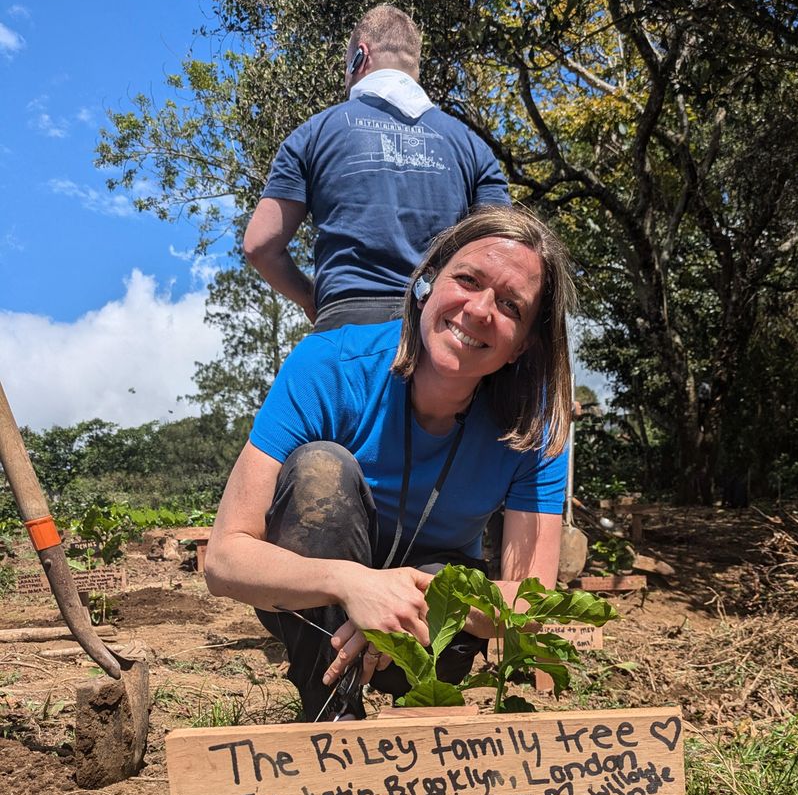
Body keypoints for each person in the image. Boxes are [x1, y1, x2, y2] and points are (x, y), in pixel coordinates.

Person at [206, 205, 575, 720]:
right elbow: (225, 560)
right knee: (321, 469)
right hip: (316, 599)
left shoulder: (533, 426)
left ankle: (417, 719)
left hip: (434, 616)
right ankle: (331, 714)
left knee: (446, 583)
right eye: (467, 279)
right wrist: (353, 586)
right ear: (427, 282)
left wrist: (411, 597)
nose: (479, 310)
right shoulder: (329, 366)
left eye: (512, 306)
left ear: (524, 344)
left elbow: (530, 602)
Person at [243, 4, 511, 334]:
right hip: (435, 339)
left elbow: (259, 246)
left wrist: (312, 300)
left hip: (342, 333)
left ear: (360, 55)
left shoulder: (313, 134)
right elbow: (500, 252)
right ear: (413, 65)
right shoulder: (473, 148)